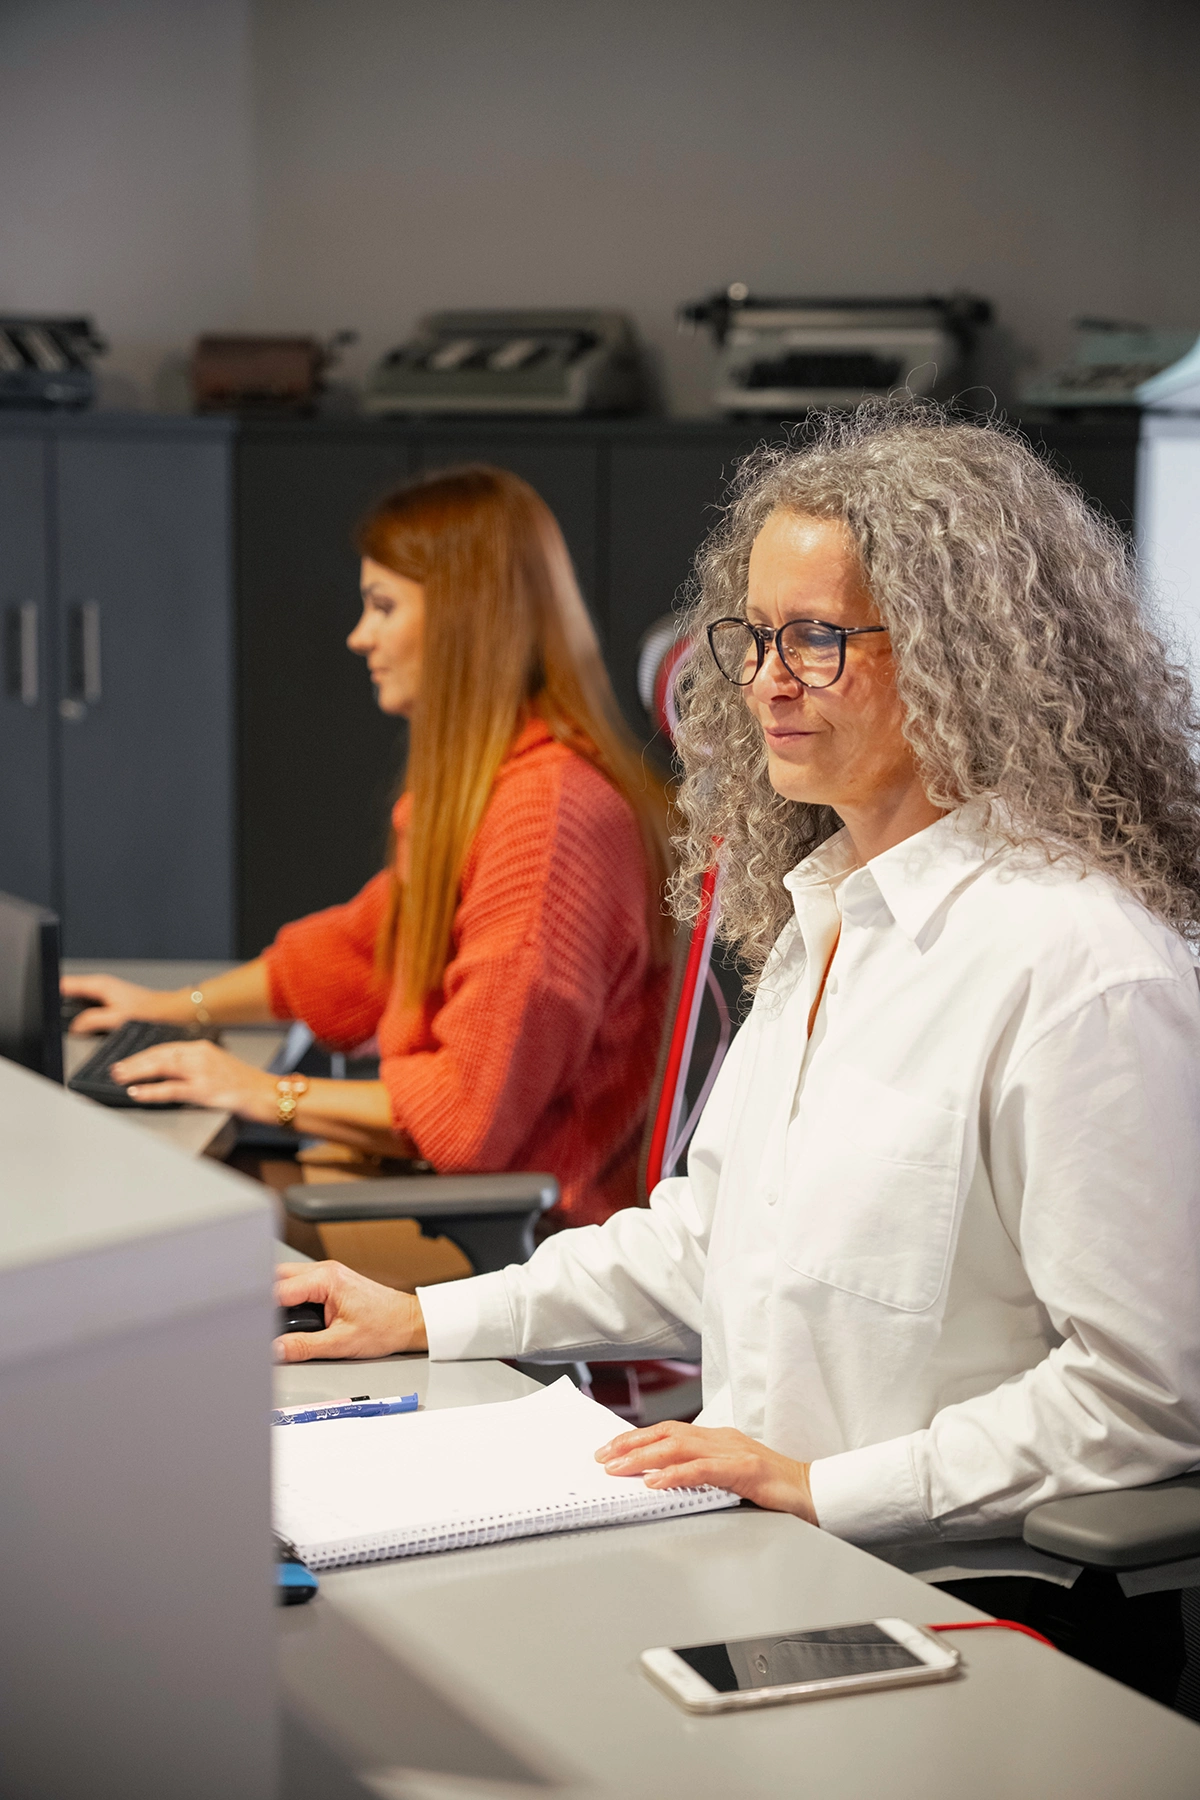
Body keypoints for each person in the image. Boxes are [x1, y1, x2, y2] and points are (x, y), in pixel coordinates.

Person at [275, 405, 1200, 1701]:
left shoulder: (1079, 968)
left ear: (961, 654)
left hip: (965, 1603)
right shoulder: (836, 918)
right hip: (775, 1549)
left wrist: (829, 1487)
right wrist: (423, 1316)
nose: (767, 678)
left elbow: (1146, 1396)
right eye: (757, 636)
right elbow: (706, 1240)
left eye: (818, 638)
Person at [64, 465, 672, 1228]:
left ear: (463, 616)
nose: (360, 636)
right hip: (458, 1200)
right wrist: (169, 1008)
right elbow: (365, 952)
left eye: (382, 606)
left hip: (518, 1241)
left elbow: (465, 1120)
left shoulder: (547, 818)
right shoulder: (498, 784)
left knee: (150, 1234)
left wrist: (257, 1090)